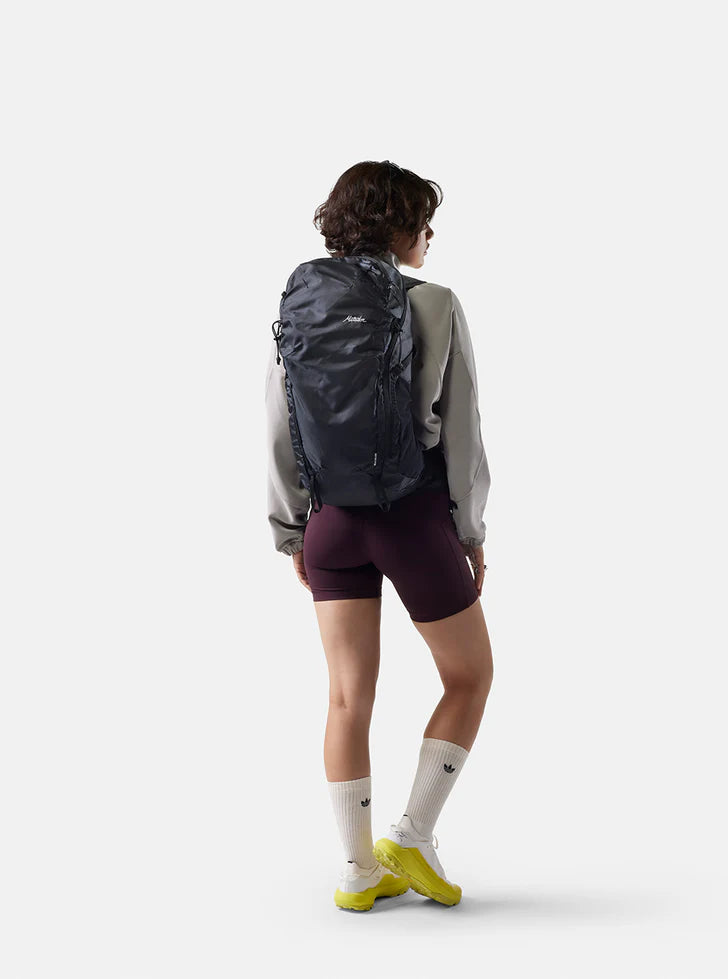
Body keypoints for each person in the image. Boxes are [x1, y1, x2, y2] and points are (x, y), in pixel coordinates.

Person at [265, 160, 493, 911]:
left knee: (345, 698)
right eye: (423, 221)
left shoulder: (300, 302)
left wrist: (294, 532)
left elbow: (279, 425)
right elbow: (461, 431)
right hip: (411, 519)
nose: (429, 235)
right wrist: (469, 530)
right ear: (399, 227)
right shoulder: (435, 302)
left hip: (330, 526)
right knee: (469, 675)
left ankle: (358, 873)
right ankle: (413, 834)